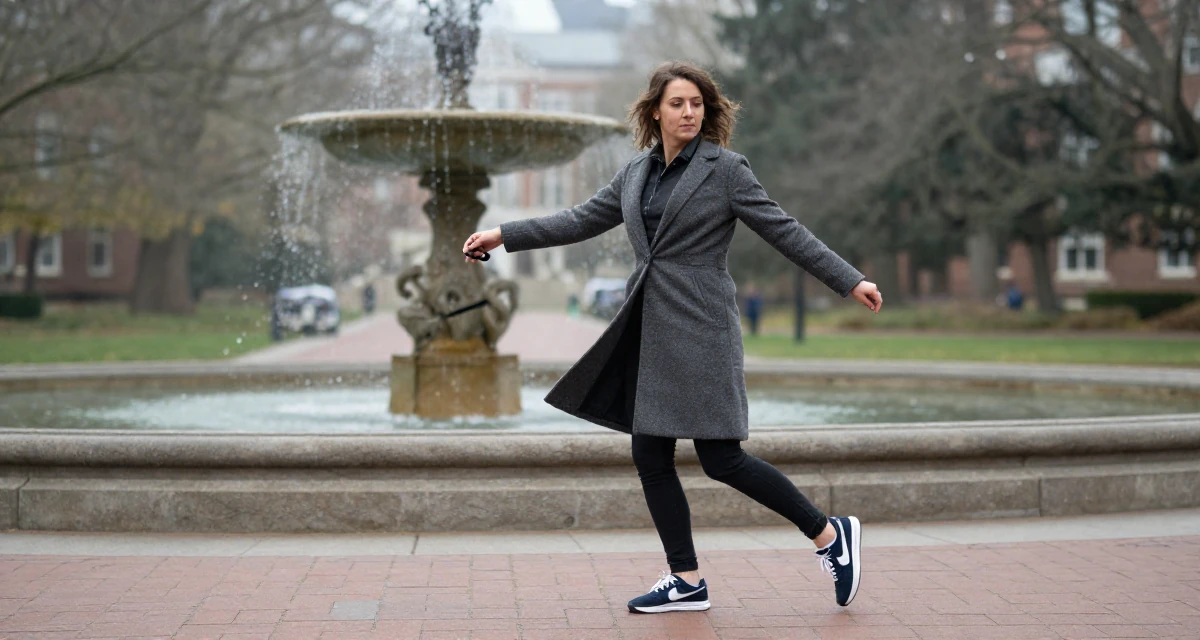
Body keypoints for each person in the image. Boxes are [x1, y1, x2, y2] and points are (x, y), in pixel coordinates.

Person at [462, 61, 882, 615]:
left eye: (697, 104)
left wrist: (848, 279)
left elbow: (784, 230)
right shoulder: (636, 172)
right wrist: (503, 235)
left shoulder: (726, 170)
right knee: (650, 454)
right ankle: (685, 579)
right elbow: (580, 219)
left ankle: (829, 535)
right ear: (655, 111)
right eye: (678, 103)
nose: (689, 113)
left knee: (721, 458)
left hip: (702, 327)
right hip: (649, 328)